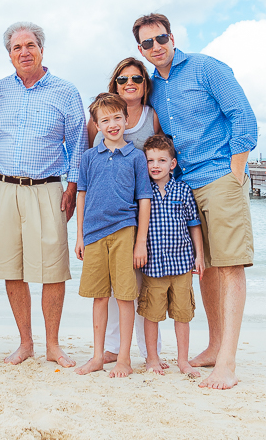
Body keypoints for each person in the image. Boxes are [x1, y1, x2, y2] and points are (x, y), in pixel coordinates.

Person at [134, 12, 258, 390]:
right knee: (204, 268)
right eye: (147, 43)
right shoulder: (153, 86)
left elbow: (243, 116)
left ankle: (227, 362)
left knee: (230, 265)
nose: (156, 47)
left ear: (172, 37)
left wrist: (235, 173)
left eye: (161, 39)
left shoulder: (206, 68)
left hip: (220, 176)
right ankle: (214, 345)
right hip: (185, 185)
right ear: (140, 48)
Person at [0, 21, 86, 368]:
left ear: (42, 50)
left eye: (30, 45)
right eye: (17, 48)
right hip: (2, 188)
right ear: (9, 54)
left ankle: (54, 346)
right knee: (11, 268)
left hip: (47, 188)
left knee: (52, 270)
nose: (24, 52)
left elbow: (78, 143)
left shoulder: (65, 91)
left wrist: (73, 186)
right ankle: (25, 343)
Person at [87, 57, 164, 366]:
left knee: (146, 282)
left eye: (136, 78)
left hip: (148, 208)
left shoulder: (151, 116)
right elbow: (89, 169)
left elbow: (165, 152)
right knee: (118, 284)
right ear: (114, 85)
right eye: (122, 79)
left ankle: (150, 352)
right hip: (112, 218)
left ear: (145, 84)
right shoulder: (102, 121)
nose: (129, 83)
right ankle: (114, 348)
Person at [74, 93, 152, 377]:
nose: (112, 124)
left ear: (127, 119)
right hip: (94, 234)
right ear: (96, 125)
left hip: (124, 232)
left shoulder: (136, 157)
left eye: (117, 118)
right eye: (105, 120)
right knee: (99, 297)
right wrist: (80, 235)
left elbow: (144, 199)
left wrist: (140, 241)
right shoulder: (88, 157)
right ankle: (97, 356)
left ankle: (124, 359)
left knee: (125, 297)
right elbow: (81, 195)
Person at [138, 134, 205, 378]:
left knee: (182, 315)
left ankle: (183, 360)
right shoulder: (143, 190)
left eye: (161, 160)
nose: (155, 165)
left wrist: (199, 255)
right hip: (153, 265)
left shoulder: (184, 190)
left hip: (182, 264)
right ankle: (152, 358)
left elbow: (194, 224)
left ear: (172, 164)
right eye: (150, 160)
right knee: (151, 314)